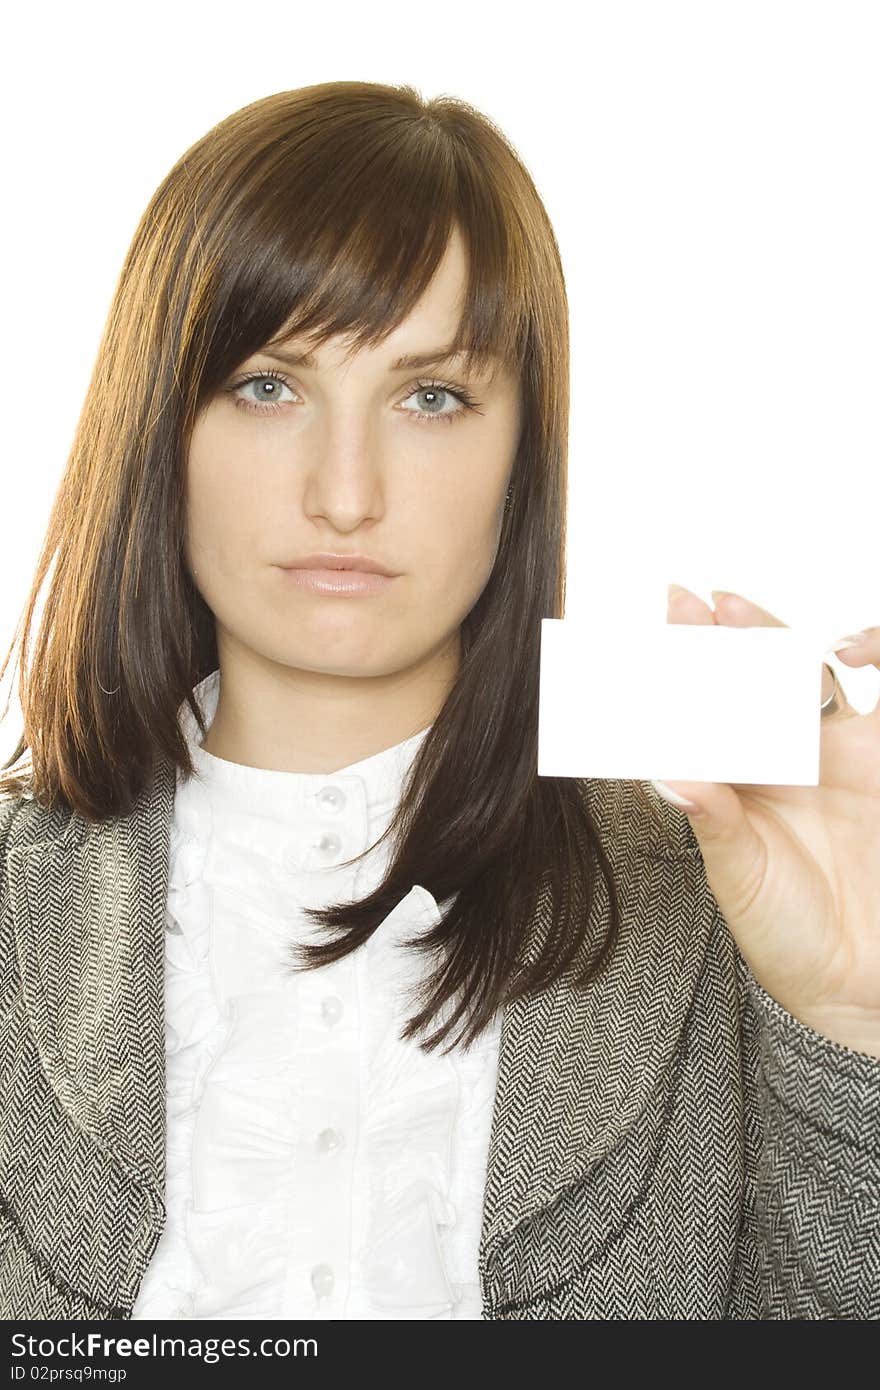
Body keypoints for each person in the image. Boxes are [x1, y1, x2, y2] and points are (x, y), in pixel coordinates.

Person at [1, 80, 878, 1323]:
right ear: (162, 424)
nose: (345, 493)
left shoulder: (712, 892)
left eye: (431, 397)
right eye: (268, 384)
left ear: (523, 448)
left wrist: (854, 1025)